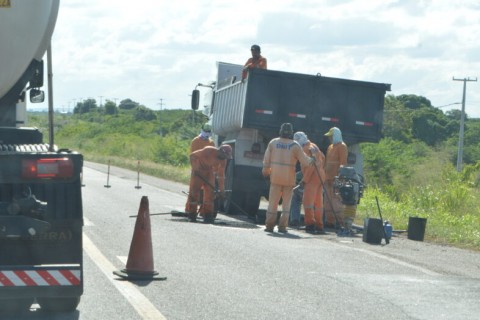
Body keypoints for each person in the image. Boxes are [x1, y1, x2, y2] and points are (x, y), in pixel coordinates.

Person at [262, 123, 315, 233]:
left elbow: (266, 161)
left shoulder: (273, 143)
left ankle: (269, 226)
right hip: (289, 180)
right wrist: (312, 160)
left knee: (273, 203)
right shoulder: (295, 145)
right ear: (291, 133)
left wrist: (266, 173)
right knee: (286, 205)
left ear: (280, 132)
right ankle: (282, 227)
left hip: (275, 178)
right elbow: (305, 162)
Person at [185, 145, 232, 223]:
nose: (225, 158)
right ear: (221, 151)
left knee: (210, 195)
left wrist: (221, 190)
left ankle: (208, 215)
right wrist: (195, 168)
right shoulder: (208, 150)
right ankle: (192, 215)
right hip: (198, 172)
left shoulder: (223, 160)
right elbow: (193, 155)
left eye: (227, 156)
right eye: (225, 155)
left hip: (209, 172)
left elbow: (221, 176)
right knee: (194, 193)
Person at [294, 131, 326, 234]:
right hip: (321, 176)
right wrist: (321, 169)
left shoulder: (305, 149)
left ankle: (310, 224)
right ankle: (319, 225)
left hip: (312, 178)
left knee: (308, 202)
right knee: (318, 202)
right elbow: (323, 157)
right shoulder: (313, 145)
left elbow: (311, 166)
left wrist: (304, 181)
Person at [185, 123, 216, 216]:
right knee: (194, 191)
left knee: (209, 192)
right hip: (197, 170)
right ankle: (190, 210)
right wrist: (196, 169)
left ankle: (205, 212)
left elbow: (212, 157)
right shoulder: (195, 141)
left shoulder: (211, 143)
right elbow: (193, 156)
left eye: (208, 131)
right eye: (205, 131)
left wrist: (212, 170)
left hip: (208, 170)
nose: (207, 133)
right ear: (202, 130)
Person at [323, 127, 348, 229]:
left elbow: (343, 163)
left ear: (336, 136)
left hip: (337, 178)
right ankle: (330, 222)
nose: (329, 138)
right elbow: (327, 162)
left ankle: (340, 222)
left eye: (331, 136)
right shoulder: (330, 147)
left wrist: (339, 176)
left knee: (336, 201)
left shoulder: (342, 146)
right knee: (327, 201)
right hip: (328, 178)